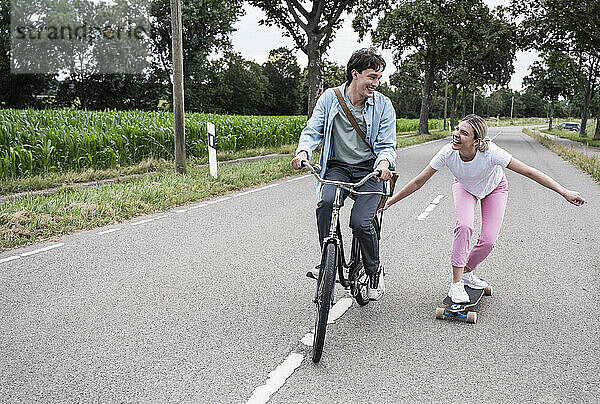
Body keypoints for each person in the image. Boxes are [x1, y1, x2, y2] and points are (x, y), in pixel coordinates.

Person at [380, 114, 585, 303]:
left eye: (464, 133)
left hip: (495, 189)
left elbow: (530, 173)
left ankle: (468, 273)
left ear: (476, 141)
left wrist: (564, 192)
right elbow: (419, 181)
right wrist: (391, 201)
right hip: (464, 187)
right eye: (457, 129)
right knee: (464, 226)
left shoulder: (492, 153)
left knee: (488, 241)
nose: (456, 134)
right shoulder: (448, 152)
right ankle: (456, 284)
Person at [291, 48, 397, 301]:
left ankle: (373, 271)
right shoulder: (331, 98)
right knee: (326, 204)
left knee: (361, 222)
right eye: (372, 76)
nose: (376, 83)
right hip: (338, 167)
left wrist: (383, 165)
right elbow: (313, 129)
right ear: (355, 74)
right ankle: (327, 263)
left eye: (379, 78)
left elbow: (386, 145)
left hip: (371, 171)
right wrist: (303, 152)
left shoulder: (383, 105)